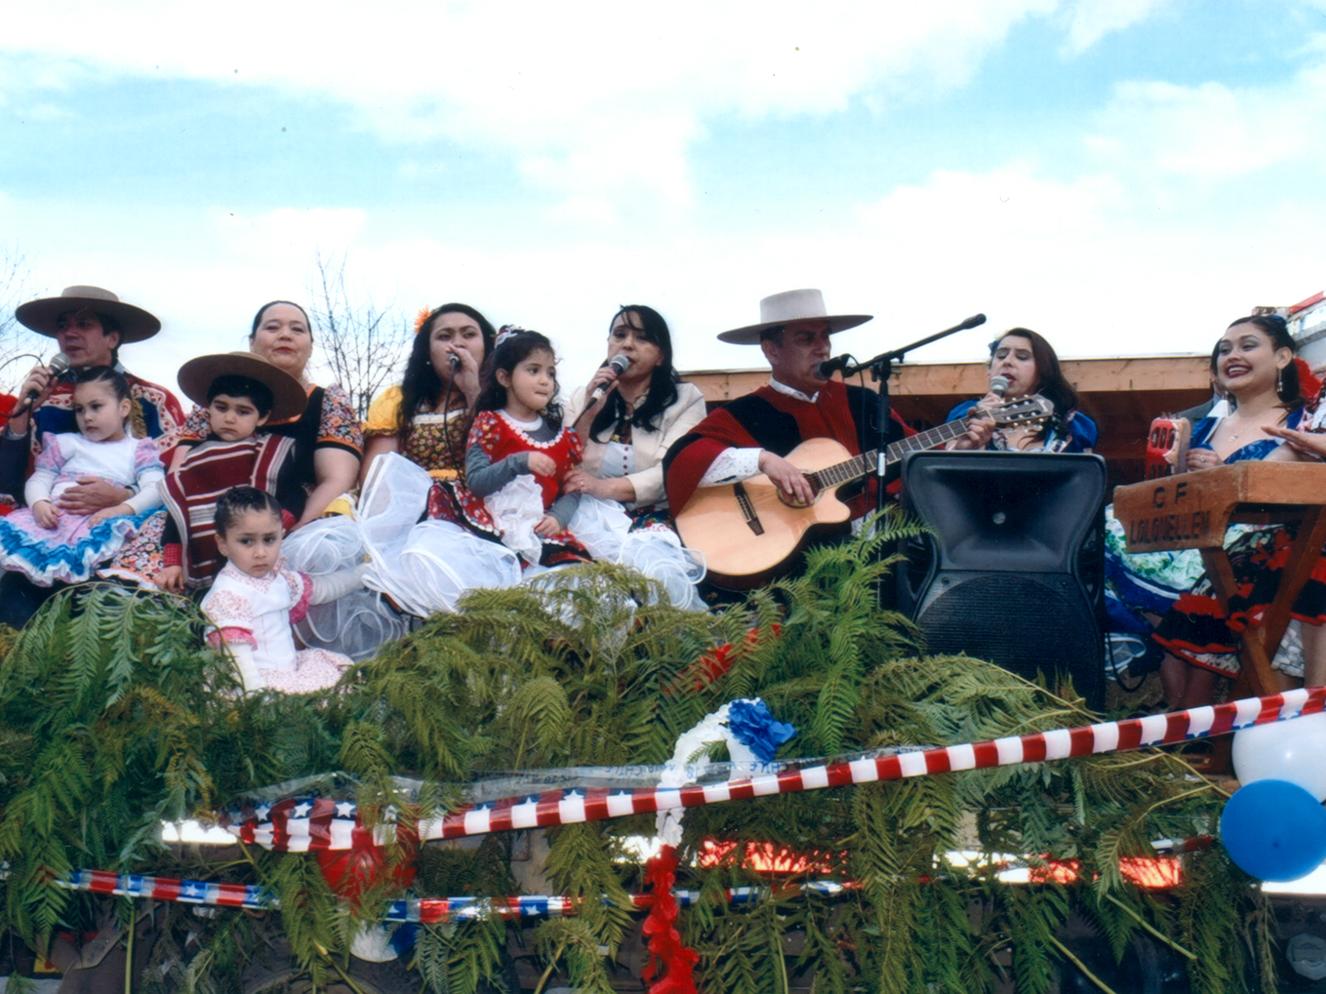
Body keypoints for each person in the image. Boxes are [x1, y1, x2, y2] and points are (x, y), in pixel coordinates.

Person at [1131, 314, 1311, 707]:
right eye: (1224, 349)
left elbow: (1280, 484)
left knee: (1207, 591)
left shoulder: (1303, 420)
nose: (1232, 355)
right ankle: (1183, 725)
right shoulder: (1201, 426)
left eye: (1248, 346)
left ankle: (1190, 727)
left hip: (1258, 545)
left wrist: (1220, 476)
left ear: (1282, 357)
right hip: (1194, 542)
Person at [664, 289, 938, 520]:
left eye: (825, 336)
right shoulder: (743, 413)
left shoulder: (862, 402)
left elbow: (915, 452)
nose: (823, 348)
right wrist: (763, 460)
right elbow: (682, 461)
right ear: (772, 350)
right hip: (781, 558)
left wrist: (956, 447)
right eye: (806, 339)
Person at [0, 286, 184, 624]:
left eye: (83, 324)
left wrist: (123, 497)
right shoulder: (43, 400)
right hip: (47, 531)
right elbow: (10, 483)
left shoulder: (153, 401)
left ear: (112, 337)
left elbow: (176, 479)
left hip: (122, 538)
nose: (69, 333)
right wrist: (22, 413)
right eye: (63, 325)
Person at [173, 301, 362, 527]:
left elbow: (337, 479)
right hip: (200, 519)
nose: (285, 335)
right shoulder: (212, 405)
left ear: (311, 346)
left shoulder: (329, 402)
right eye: (272, 328)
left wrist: (292, 536)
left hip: (294, 521)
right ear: (252, 342)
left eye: (297, 329)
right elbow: (178, 475)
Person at [156, 352, 307, 593]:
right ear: (209, 408)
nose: (229, 418)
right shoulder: (192, 460)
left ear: (263, 417)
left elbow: (295, 496)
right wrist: (172, 562)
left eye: (243, 411)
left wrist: (274, 529)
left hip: (263, 558)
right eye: (221, 407)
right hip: (205, 565)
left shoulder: (273, 452)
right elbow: (177, 515)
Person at [0, 366, 164, 586]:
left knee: (80, 579)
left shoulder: (138, 449)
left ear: (124, 407)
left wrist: (122, 508)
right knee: (18, 571)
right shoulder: (67, 443)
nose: (87, 417)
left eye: (96, 407)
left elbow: (156, 488)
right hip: (51, 519)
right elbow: (41, 478)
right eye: (79, 409)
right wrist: (39, 503)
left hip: (97, 526)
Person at [200, 487, 363, 694]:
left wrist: (362, 575)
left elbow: (321, 589)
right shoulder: (228, 593)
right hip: (252, 682)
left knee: (342, 677)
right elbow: (237, 658)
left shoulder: (278, 578)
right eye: (246, 541)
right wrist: (257, 696)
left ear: (281, 535)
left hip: (290, 671)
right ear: (223, 543)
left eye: (269, 540)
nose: (260, 553)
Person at [563, 305, 707, 522]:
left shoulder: (686, 399)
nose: (627, 345)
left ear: (661, 356)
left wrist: (603, 487)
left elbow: (673, 470)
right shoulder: (581, 397)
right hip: (586, 516)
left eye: (642, 338)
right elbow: (561, 463)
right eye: (619, 335)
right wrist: (589, 413)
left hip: (657, 517)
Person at [463, 328, 588, 568]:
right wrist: (518, 462)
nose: (545, 380)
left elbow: (572, 488)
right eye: (534, 370)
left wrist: (558, 517)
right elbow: (476, 482)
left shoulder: (562, 436)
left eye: (550, 373)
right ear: (505, 378)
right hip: (491, 529)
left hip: (543, 531)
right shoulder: (490, 424)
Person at [360, 302, 495, 486]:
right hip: (408, 501)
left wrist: (472, 391)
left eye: (469, 334)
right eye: (444, 336)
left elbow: (501, 458)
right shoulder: (398, 400)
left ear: (486, 345)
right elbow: (377, 473)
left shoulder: (505, 397)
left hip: (478, 500)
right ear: (428, 352)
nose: (457, 343)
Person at [947, 328, 1097, 453]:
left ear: (1042, 372)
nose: (1007, 361)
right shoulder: (964, 413)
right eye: (1000, 356)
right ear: (989, 371)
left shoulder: (1075, 426)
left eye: (1022, 357)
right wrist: (964, 448)